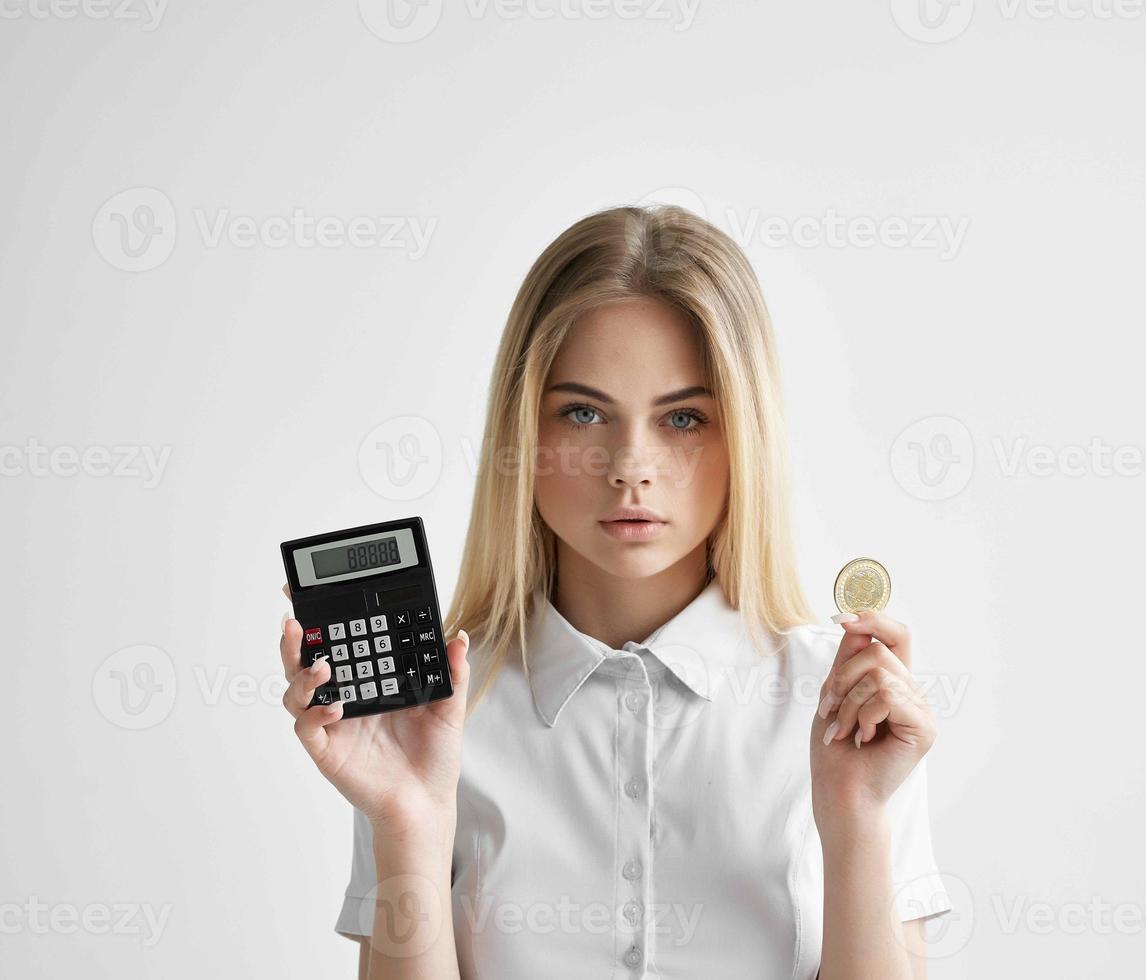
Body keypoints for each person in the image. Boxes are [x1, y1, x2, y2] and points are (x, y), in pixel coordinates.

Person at [277, 204, 954, 978]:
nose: (630, 465)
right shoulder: (431, 718)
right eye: (585, 412)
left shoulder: (846, 709)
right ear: (523, 433)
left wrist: (859, 820)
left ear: (745, 436)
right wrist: (408, 818)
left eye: (684, 418)